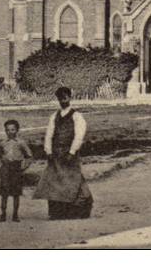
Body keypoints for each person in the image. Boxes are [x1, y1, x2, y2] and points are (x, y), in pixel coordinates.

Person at [34, 86, 93, 220]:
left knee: (72, 181)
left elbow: (79, 135)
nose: (63, 100)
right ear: (58, 99)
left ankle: (77, 211)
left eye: (65, 97)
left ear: (70, 97)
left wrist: (72, 152)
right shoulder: (54, 116)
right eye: (60, 97)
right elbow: (49, 135)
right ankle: (57, 212)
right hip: (56, 154)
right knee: (55, 182)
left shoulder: (77, 116)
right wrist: (48, 151)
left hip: (69, 154)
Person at [0, 119, 33, 222]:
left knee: (16, 193)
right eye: (7, 130)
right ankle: (3, 214)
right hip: (5, 168)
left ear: (17, 130)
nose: (10, 132)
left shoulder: (21, 142)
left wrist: (24, 167)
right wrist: (0, 165)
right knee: (4, 193)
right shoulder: (2, 143)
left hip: (16, 168)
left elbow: (29, 156)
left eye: (12, 129)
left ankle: (15, 215)